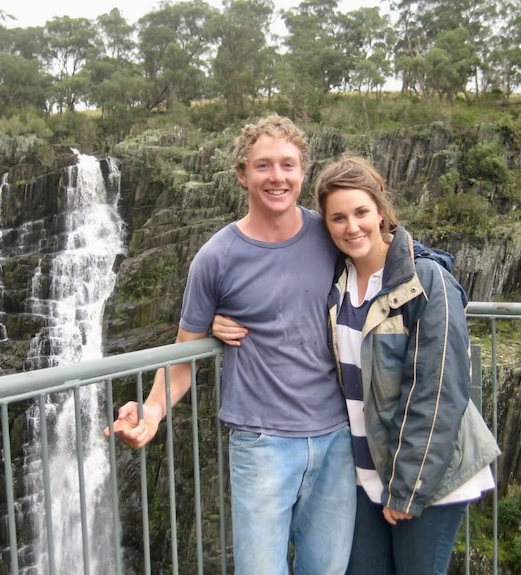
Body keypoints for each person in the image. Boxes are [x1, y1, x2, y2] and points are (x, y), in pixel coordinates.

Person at [213, 156, 500, 575]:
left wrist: (407, 488)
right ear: (324, 226)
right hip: (363, 476)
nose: (353, 227)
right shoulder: (337, 283)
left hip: (427, 477)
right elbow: (271, 295)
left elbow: (437, 392)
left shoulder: (425, 281)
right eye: (338, 218)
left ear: (381, 211)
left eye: (362, 212)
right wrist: (216, 319)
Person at [106, 115, 356, 575]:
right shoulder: (216, 258)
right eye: (263, 166)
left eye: (287, 165)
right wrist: (152, 410)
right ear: (242, 174)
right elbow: (183, 355)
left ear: (303, 172)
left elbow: (386, 263)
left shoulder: (333, 235)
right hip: (261, 443)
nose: (277, 177)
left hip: (338, 436)